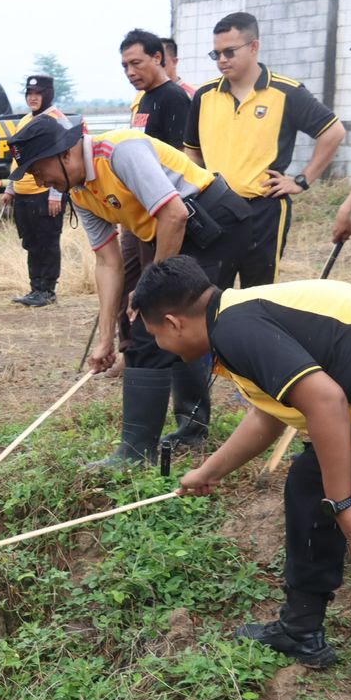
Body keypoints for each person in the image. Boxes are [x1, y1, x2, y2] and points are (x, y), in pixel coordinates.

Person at [132, 258, 351, 700]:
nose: (159, 347)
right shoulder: (232, 323)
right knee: (308, 485)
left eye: (152, 336)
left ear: (173, 322)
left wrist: (346, 504)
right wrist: (208, 472)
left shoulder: (238, 327)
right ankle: (302, 628)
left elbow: (324, 400)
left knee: (324, 491)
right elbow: (274, 412)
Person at [6, 114, 253, 468]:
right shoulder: (78, 190)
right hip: (177, 229)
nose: (37, 179)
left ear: (63, 153)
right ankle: (190, 430)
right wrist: (105, 338)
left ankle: (137, 452)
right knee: (163, 325)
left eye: (36, 168)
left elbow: (174, 214)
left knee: (158, 325)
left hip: (213, 220)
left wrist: (151, 290)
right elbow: (107, 263)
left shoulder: (120, 151)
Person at [184, 11, 345, 290]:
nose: (222, 60)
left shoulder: (287, 92)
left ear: (254, 46)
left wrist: (302, 180)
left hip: (263, 210)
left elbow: (333, 132)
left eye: (230, 52)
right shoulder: (204, 95)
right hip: (214, 210)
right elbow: (192, 154)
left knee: (258, 294)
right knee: (208, 293)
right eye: (216, 54)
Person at [118, 28, 203, 445]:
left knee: (163, 301)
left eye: (137, 63)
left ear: (160, 58)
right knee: (131, 289)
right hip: (137, 214)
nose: (131, 72)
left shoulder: (174, 99)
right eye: (125, 66)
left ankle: (190, 418)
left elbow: (175, 164)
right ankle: (133, 358)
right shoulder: (144, 101)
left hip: (164, 212)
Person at [0, 75, 67, 307]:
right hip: (23, 193)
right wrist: (11, 187)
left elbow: (65, 158)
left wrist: (57, 194)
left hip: (47, 192)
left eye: (38, 94)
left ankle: (48, 290)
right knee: (30, 242)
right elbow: (18, 159)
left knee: (47, 241)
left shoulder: (58, 120)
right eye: (29, 94)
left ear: (48, 94)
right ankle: (34, 287)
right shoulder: (25, 120)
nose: (33, 98)